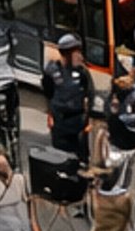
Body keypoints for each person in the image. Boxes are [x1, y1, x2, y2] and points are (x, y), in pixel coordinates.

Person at [41, 32, 96, 163]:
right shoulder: (52, 71)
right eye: (77, 53)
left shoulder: (82, 72)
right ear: (67, 54)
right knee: (61, 159)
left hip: (78, 124)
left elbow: (90, 94)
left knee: (81, 160)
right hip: (61, 123)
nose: (80, 56)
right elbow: (48, 92)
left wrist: (88, 118)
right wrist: (51, 113)